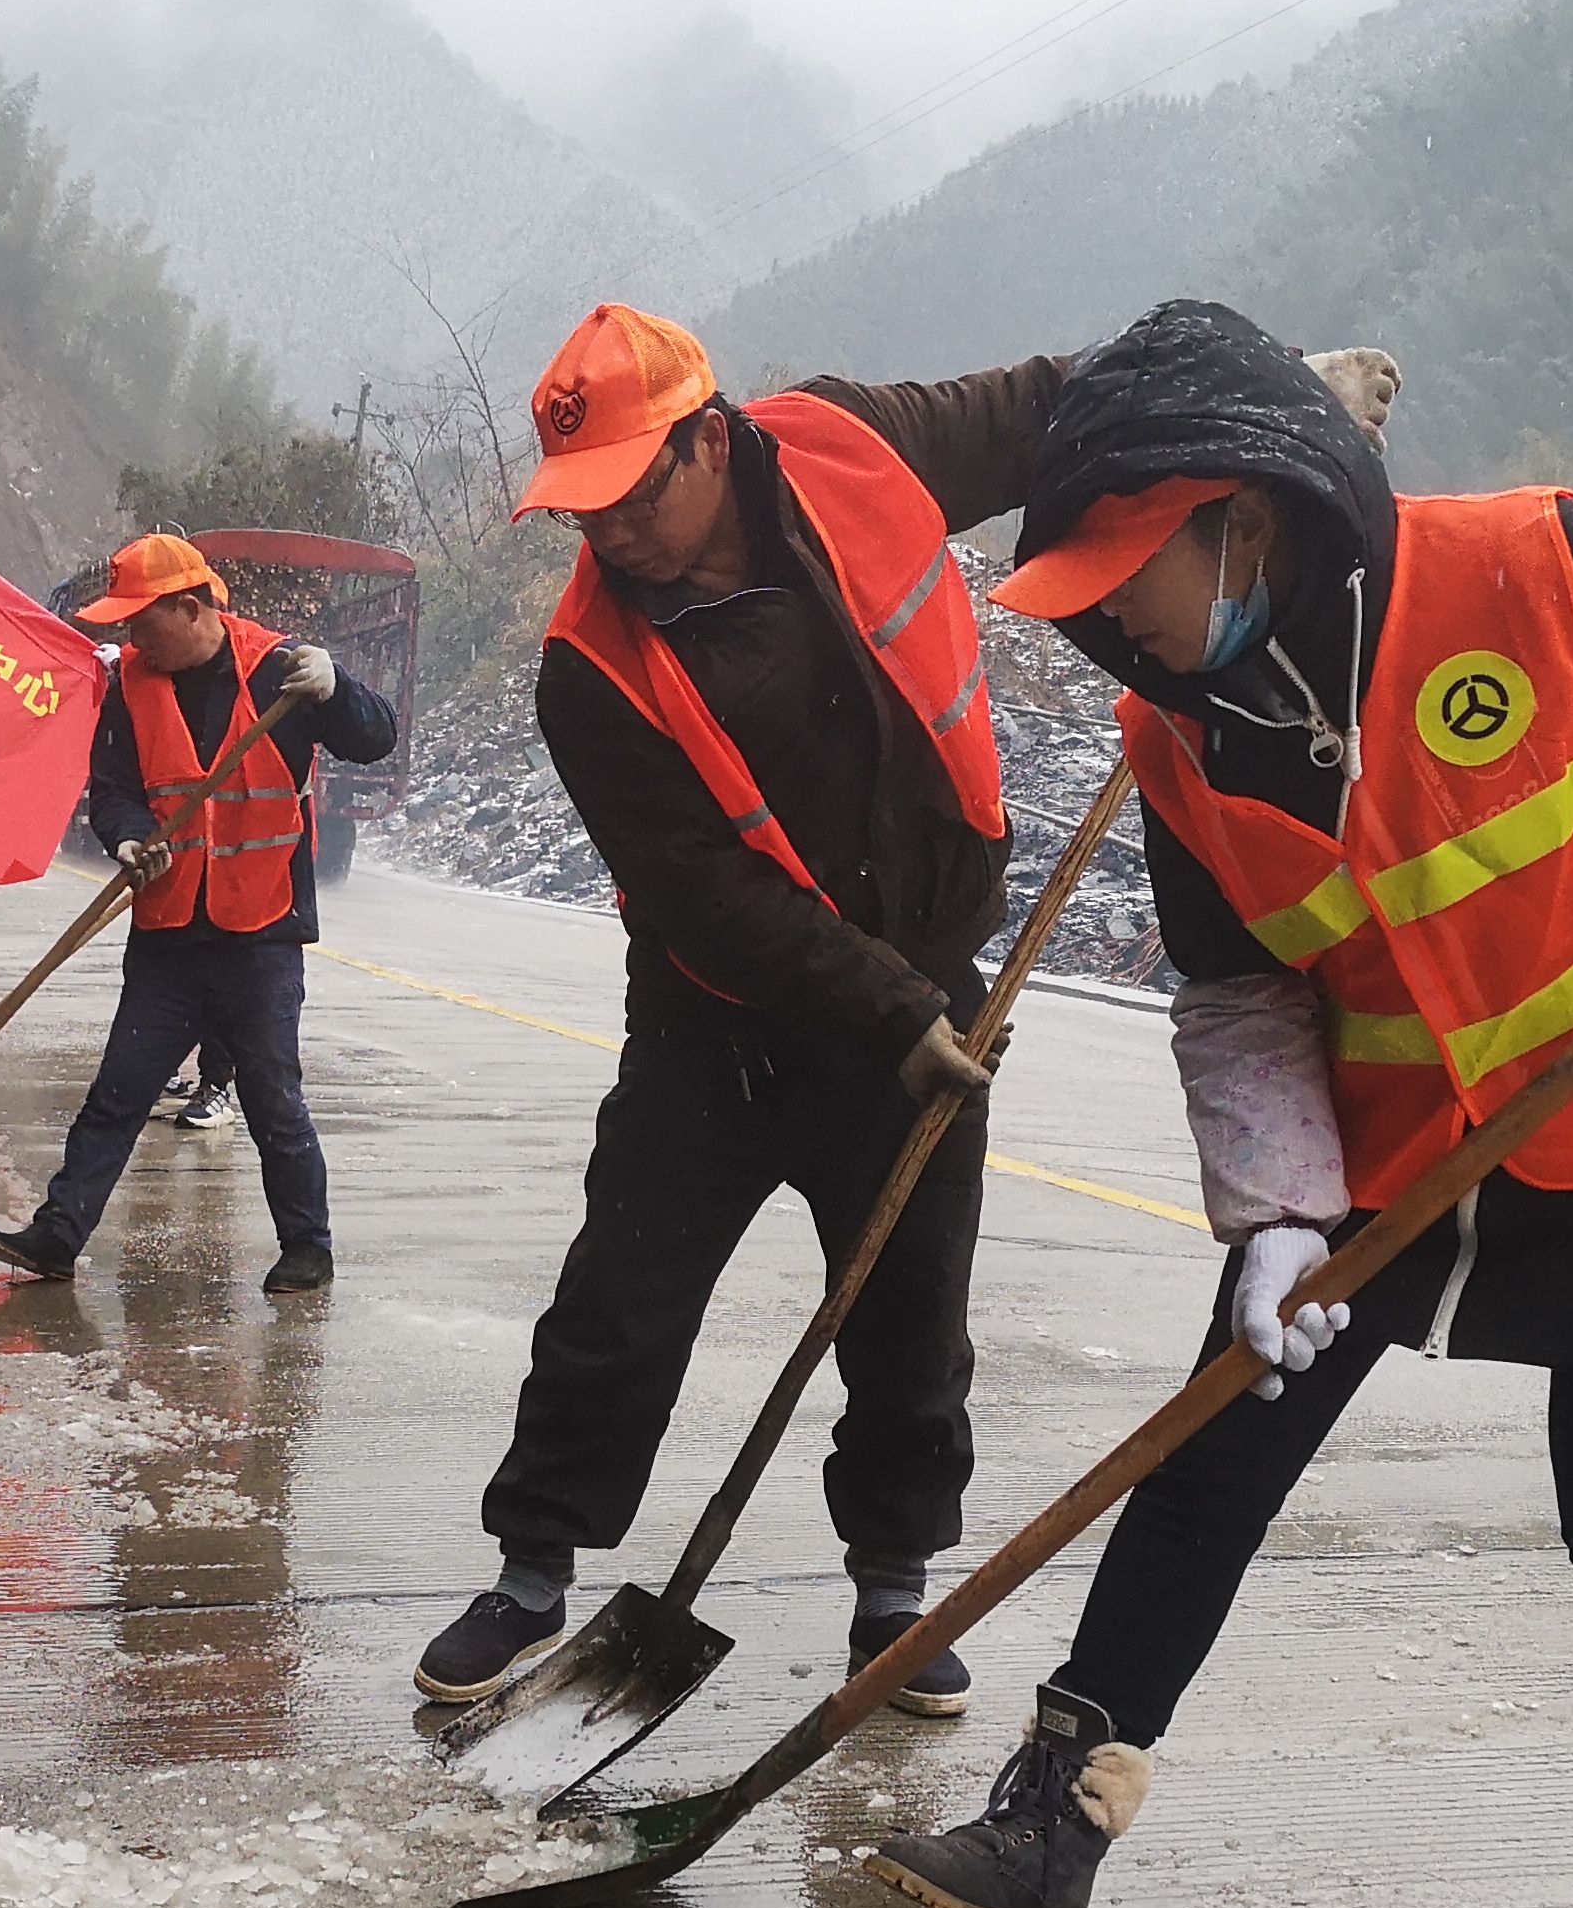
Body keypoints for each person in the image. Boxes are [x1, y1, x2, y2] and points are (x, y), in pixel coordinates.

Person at [861, 298, 1573, 1908]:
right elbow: (1238, 993)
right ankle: (1054, 1823)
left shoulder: (1535, 571)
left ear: (1240, 521)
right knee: (1210, 1451)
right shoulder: (1179, 735)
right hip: (1387, 1148)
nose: (1109, 623)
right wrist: (1271, 1213)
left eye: (1126, 578)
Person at [410, 303, 1400, 1716]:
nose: (609, 531)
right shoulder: (589, 670)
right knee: (619, 1303)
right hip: (713, 1025)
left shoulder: (849, 446)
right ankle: (531, 1572)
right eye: (584, 507)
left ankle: (891, 1588)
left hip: (930, 989)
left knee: (911, 1319)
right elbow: (705, 897)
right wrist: (886, 1013)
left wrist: (1268, 407)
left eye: (631, 491)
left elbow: (1059, 403)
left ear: (708, 440)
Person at [0, 532, 397, 1295]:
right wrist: (128, 836)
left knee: (273, 1100)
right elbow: (112, 790)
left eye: (142, 622)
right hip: (169, 933)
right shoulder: (130, 686)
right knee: (118, 1092)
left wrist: (338, 687)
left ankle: (307, 1248)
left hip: (260, 932)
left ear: (191, 608)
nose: (132, 639)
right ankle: (58, 1235)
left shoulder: (279, 671)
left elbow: (376, 738)